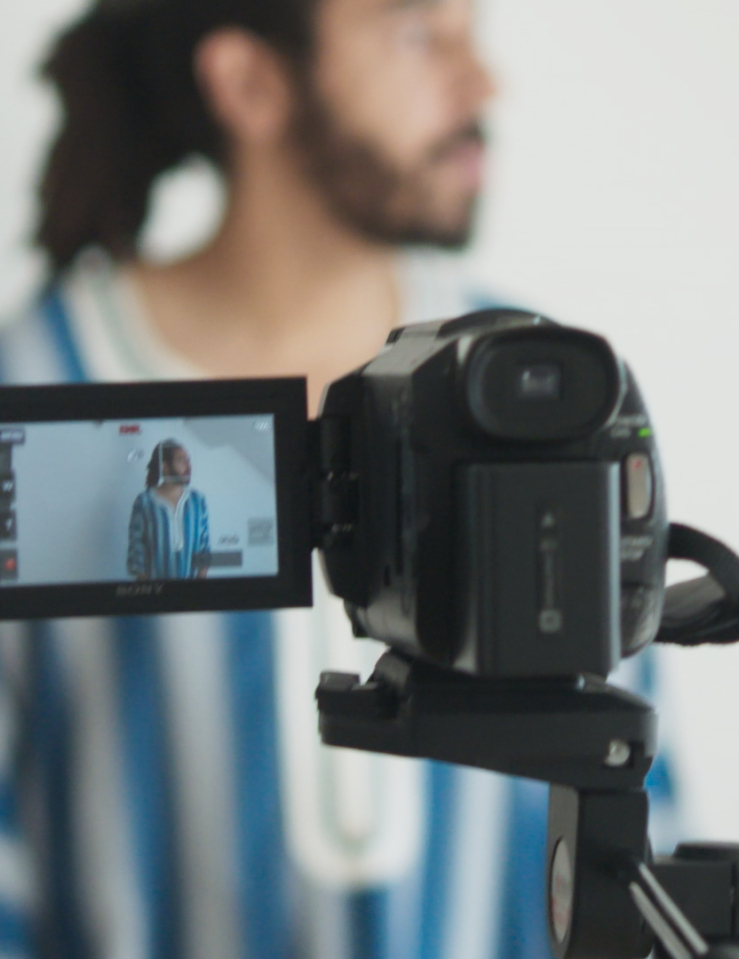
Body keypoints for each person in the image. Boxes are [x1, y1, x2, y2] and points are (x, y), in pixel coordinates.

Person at [0, 0, 677, 958]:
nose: (481, 85)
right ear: (251, 84)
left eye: (470, 34)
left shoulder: (547, 387)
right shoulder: (35, 402)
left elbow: (637, 789)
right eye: (415, 35)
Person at [128, 440, 210, 580]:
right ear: (164, 466)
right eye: (181, 460)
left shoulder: (198, 500)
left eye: (188, 460)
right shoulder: (144, 501)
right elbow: (136, 549)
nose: (188, 466)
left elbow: (204, 544)